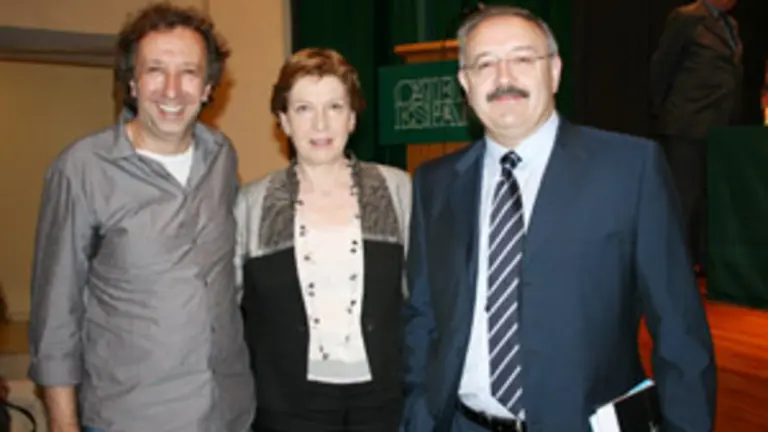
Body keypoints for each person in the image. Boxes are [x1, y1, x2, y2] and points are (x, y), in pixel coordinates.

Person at [402, 6, 716, 431]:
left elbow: (680, 333)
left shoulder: (629, 169)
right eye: (485, 63)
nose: (503, 77)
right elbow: (424, 316)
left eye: (522, 58)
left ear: (554, 70)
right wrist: (418, 415)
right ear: (465, 82)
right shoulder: (434, 183)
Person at [27, 4, 254, 431]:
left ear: (208, 87)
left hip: (228, 413)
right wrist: (63, 423)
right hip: (130, 419)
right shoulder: (82, 169)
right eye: (155, 70)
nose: (172, 89)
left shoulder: (222, 157)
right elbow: (56, 316)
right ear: (132, 83)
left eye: (189, 72)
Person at [235, 48, 410, 432]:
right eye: (303, 108)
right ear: (283, 120)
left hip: (382, 402)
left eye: (334, 107)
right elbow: (230, 307)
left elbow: (420, 298)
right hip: (288, 404)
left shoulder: (396, 188)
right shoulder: (253, 202)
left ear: (351, 118)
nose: (320, 124)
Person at [650, 0, 742, 275]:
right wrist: (664, 112)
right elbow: (662, 66)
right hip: (687, 125)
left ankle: (700, 261)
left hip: (719, 125)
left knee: (707, 200)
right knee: (682, 198)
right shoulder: (687, 18)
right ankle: (667, 266)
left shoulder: (731, 24)